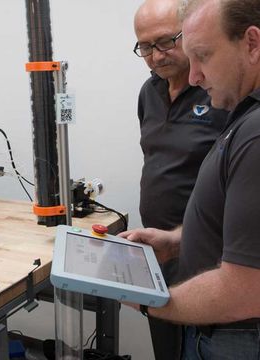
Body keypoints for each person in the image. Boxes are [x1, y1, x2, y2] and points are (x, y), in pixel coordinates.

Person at [122, 0, 260, 358]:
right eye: (145, 48)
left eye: (202, 55)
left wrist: (153, 304)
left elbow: (245, 288)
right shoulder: (242, 111)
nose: (196, 76)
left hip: (233, 321)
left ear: (252, 43)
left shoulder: (250, 124)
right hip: (183, 267)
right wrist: (174, 241)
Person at [132, 0, 228, 359]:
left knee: (200, 347)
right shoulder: (149, 92)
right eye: (145, 46)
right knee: (166, 345)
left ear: (189, 34)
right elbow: (155, 158)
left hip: (208, 252)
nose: (156, 56)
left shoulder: (220, 90)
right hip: (157, 247)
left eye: (165, 41)